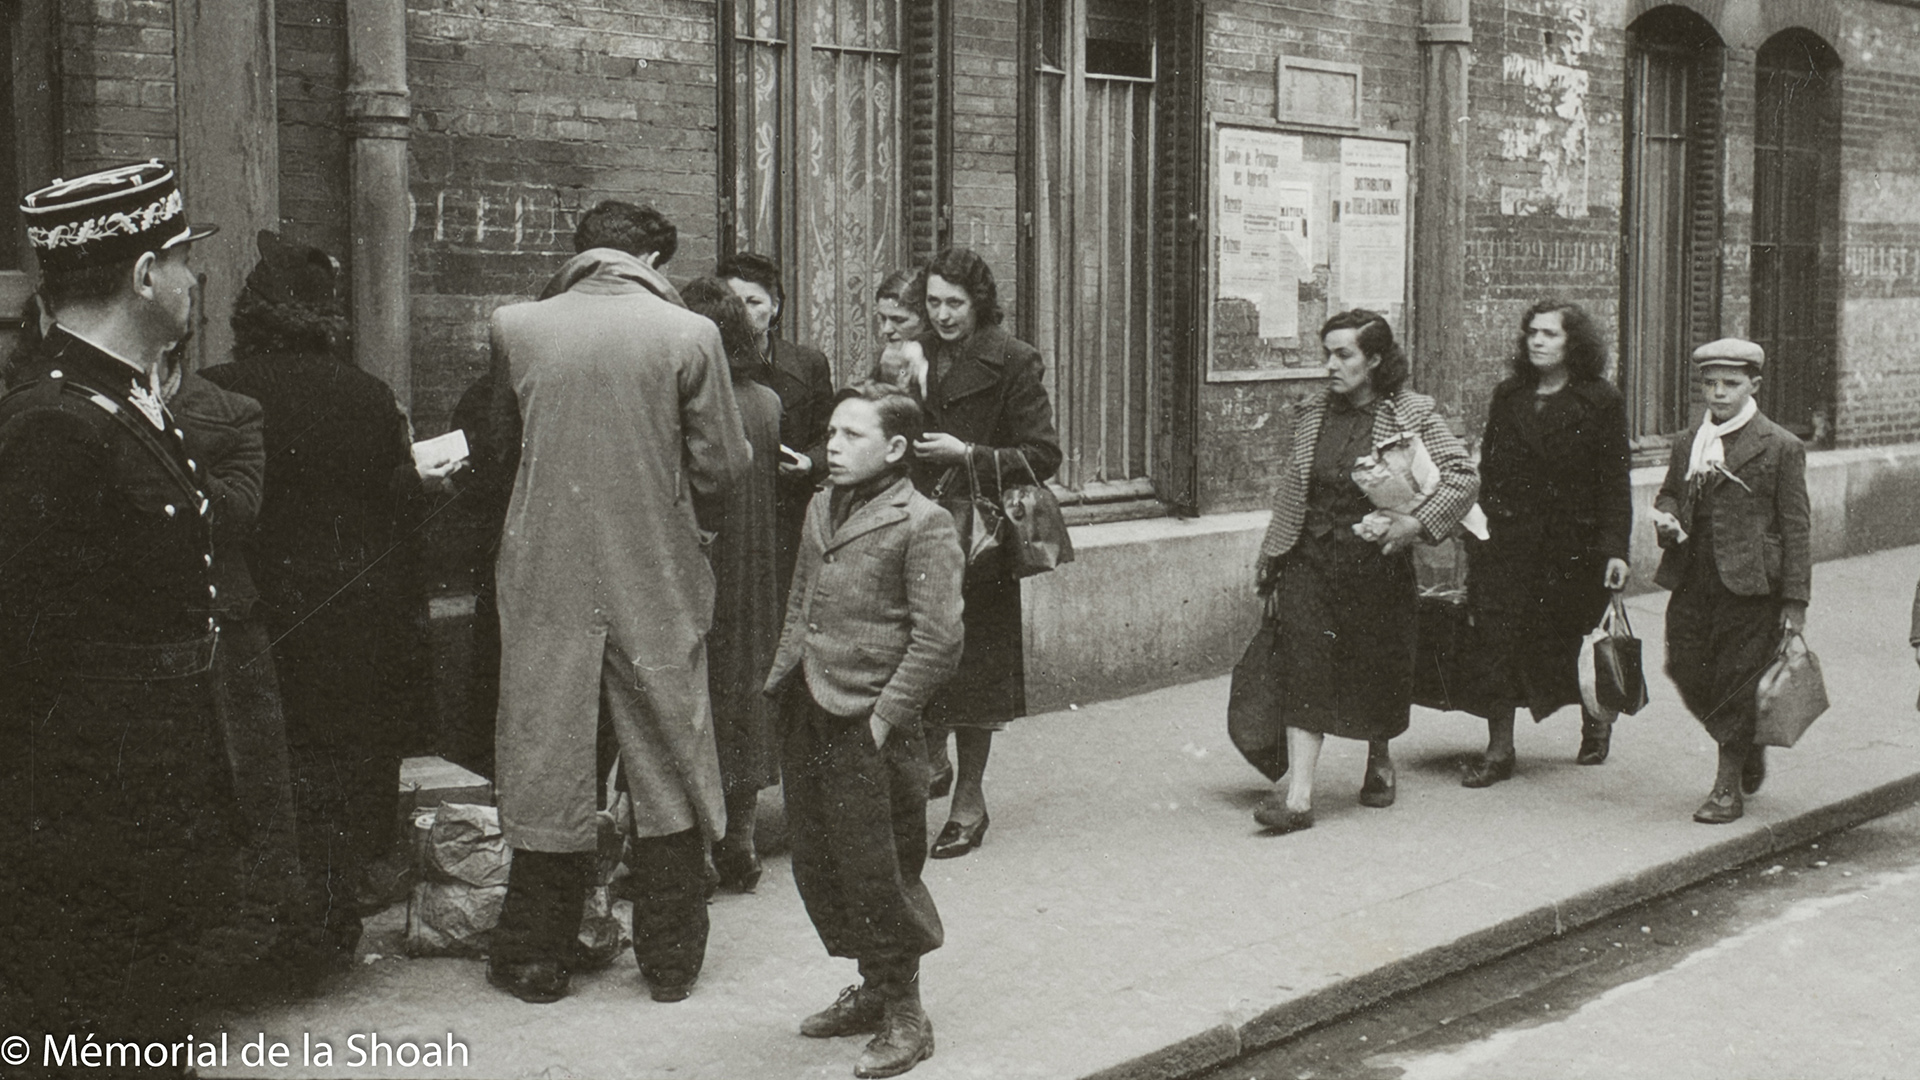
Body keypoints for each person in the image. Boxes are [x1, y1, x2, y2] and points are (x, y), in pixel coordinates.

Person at [0, 160, 239, 1053]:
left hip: (146, 780)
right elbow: (19, 641)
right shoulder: (56, 423)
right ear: (144, 276)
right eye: (181, 259)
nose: (192, 278)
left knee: (149, 1011)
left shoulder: (129, 401)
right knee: (98, 1022)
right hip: (87, 802)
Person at [485, 201, 749, 1005]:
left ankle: (536, 955)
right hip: (653, 566)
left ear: (582, 253)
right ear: (652, 262)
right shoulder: (690, 336)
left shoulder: (516, 325)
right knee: (666, 742)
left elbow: (500, 449)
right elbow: (722, 467)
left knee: (547, 746)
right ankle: (669, 959)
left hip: (546, 566)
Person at [203, 231, 445, 960]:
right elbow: (398, 508)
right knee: (341, 764)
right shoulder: (369, 395)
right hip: (354, 609)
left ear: (249, 312)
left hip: (259, 610)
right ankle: (333, 921)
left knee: (265, 763)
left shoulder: (219, 391)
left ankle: (263, 921)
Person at [764, 384, 964, 1079]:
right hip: (810, 706)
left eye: (852, 436)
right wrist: (783, 679)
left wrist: (882, 721)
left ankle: (906, 1012)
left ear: (898, 448)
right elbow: (800, 599)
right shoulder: (822, 503)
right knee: (822, 862)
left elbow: (939, 641)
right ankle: (873, 988)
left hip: (872, 721)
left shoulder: (924, 521)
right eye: (831, 433)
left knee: (881, 867)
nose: (834, 447)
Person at [1251, 310, 1479, 834]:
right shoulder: (1312, 413)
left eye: (1343, 354)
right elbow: (1293, 491)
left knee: (1375, 666)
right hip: (1309, 560)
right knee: (1305, 662)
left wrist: (1414, 524)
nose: (1330, 364)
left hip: (1373, 564)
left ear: (1374, 359)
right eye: (1327, 352)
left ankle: (1379, 756)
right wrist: (1272, 556)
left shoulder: (1410, 413)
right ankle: (1300, 798)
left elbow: (1461, 478)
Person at [912, 247, 1062, 858]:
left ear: (979, 303)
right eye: (933, 302)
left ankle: (969, 801)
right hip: (916, 530)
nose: (942, 315)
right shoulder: (914, 352)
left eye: (955, 303)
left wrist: (968, 453)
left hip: (980, 540)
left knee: (975, 674)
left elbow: (1044, 455)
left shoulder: (1013, 360)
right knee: (918, 658)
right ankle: (931, 757)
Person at [1461, 300, 1633, 787]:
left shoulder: (1601, 400)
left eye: (1550, 334)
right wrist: (1479, 532)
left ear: (1573, 343)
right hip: (1509, 540)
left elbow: (1614, 480)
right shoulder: (1509, 395)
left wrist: (1615, 547)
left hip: (1571, 544)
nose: (1537, 341)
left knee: (1573, 635)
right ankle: (1499, 749)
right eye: (1532, 332)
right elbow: (1489, 472)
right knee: (1498, 638)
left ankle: (1596, 719)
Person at [1652, 338, 1811, 825]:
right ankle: (1747, 742)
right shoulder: (1688, 442)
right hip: (1694, 578)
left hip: (1751, 585)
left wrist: (1795, 600)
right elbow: (1671, 493)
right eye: (1710, 383)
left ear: (1754, 386)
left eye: (1731, 384)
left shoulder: (1779, 445)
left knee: (1737, 681)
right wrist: (1667, 516)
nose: (1718, 393)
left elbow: (1797, 524)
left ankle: (1726, 786)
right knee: (1683, 666)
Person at [681, 276, 784, 893]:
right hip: (753, 569)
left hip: (702, 564)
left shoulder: (691, 404)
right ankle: (740, 837)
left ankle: (697, 841)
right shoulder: (765, 403)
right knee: (745, 689)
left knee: (694, 693)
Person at [719, 251, 835, 595]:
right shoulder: (711, 363)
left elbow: (829, 436)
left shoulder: (808, 363)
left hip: (790, 512)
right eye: (733, 301)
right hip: (735, 513)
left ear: (775, 306)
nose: (743, 311)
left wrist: (810, 462)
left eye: (753, 300)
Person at [869, 268, 930, 395]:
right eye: (882, 318)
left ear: (925, 318)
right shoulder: (889, 356)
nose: (886, 330)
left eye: (899, 320)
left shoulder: (940, 363)